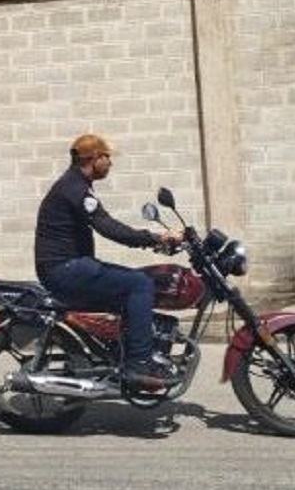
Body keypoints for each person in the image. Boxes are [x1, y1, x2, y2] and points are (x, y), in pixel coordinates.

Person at [34, 133, 183, 391]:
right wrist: (155, 238)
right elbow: (108, 227)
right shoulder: (76, 189)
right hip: (64, 269)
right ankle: (138, 364)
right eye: (107, 157)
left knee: (130, 286)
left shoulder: (75, 185)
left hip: (67, 266)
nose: (110, 163)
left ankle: (121, 353)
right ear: (93, 158)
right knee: (140, 284)